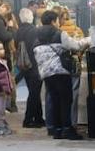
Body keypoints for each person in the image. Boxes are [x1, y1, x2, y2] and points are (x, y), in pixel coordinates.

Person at [34, 10, 88, 140]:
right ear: (53, 21)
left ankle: (56, 130)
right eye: (58, 20)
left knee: (54, 100)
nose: (59, 23)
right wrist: (88, 40)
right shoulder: (59, 34)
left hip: (46, 72)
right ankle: (67, 129)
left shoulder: (37, 34)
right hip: (60, 71)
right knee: (65, 101)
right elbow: (75, 46)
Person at [15, 7, 44, 128]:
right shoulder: (34, 31)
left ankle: (38, 118)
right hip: (34, 65)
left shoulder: (18, 31)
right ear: (31, 17)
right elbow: (37, 48)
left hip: (24, 66)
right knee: (34, 93)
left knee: (34, 92)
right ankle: (28, 119)